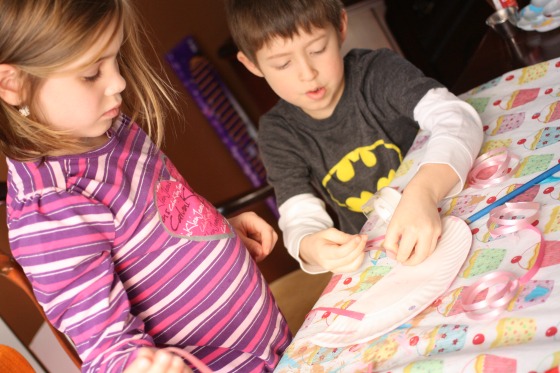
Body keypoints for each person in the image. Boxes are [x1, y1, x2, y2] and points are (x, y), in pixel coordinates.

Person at [0, 1, 290, 372]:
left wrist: (217, 230)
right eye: (91, 73)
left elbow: (154, 233)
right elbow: (105, 348)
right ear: (13, 85)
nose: (118, 81)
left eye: (114, 57)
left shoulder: (110, 131)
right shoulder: (52, 210)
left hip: (272, 346)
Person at [225, 0, 483, 274]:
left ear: (341, 27)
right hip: (382, 257)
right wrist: (311, 246)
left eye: (317, 49)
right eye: (283, 63)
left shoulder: (379, 73)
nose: (307, 73)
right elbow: (298, 215)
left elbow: (458, 119)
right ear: (252, 63)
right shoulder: (278, 134)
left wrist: (424, 191)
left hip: (448, 206)